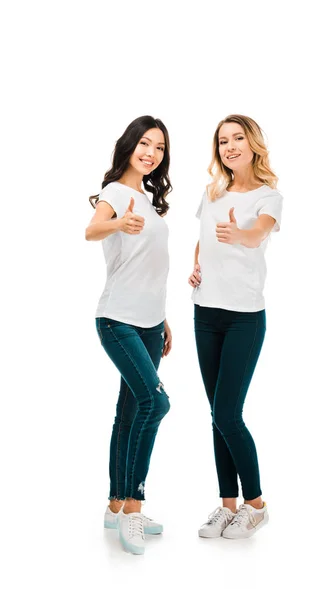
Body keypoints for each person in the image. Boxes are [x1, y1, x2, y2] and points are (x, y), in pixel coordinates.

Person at [189, 114, 283, 540]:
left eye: (237, 138)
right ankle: (227, 505)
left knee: (229, 412)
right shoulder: (212, 192)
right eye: (223, 140)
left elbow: (257, 234)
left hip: (245, 317)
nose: (229, 146)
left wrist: (238, 233)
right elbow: (203, 238)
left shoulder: (269, 196)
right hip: (205, 313)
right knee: (216, 414)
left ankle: (257, 505)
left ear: (253, 144)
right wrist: (196, 264)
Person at [86, 115, 173, 555]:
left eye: (158, 147)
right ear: (129, 146)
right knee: (156, 402)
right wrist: (118, 223)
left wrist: (164, 319)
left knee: (129, 412)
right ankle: (135, 509)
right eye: (144, 143)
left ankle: (116, 507)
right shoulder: (117, 193)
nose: (151, 153)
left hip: (151, 323)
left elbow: (150, 267)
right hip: (117, 319)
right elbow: (90, 230)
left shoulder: (148, 199)